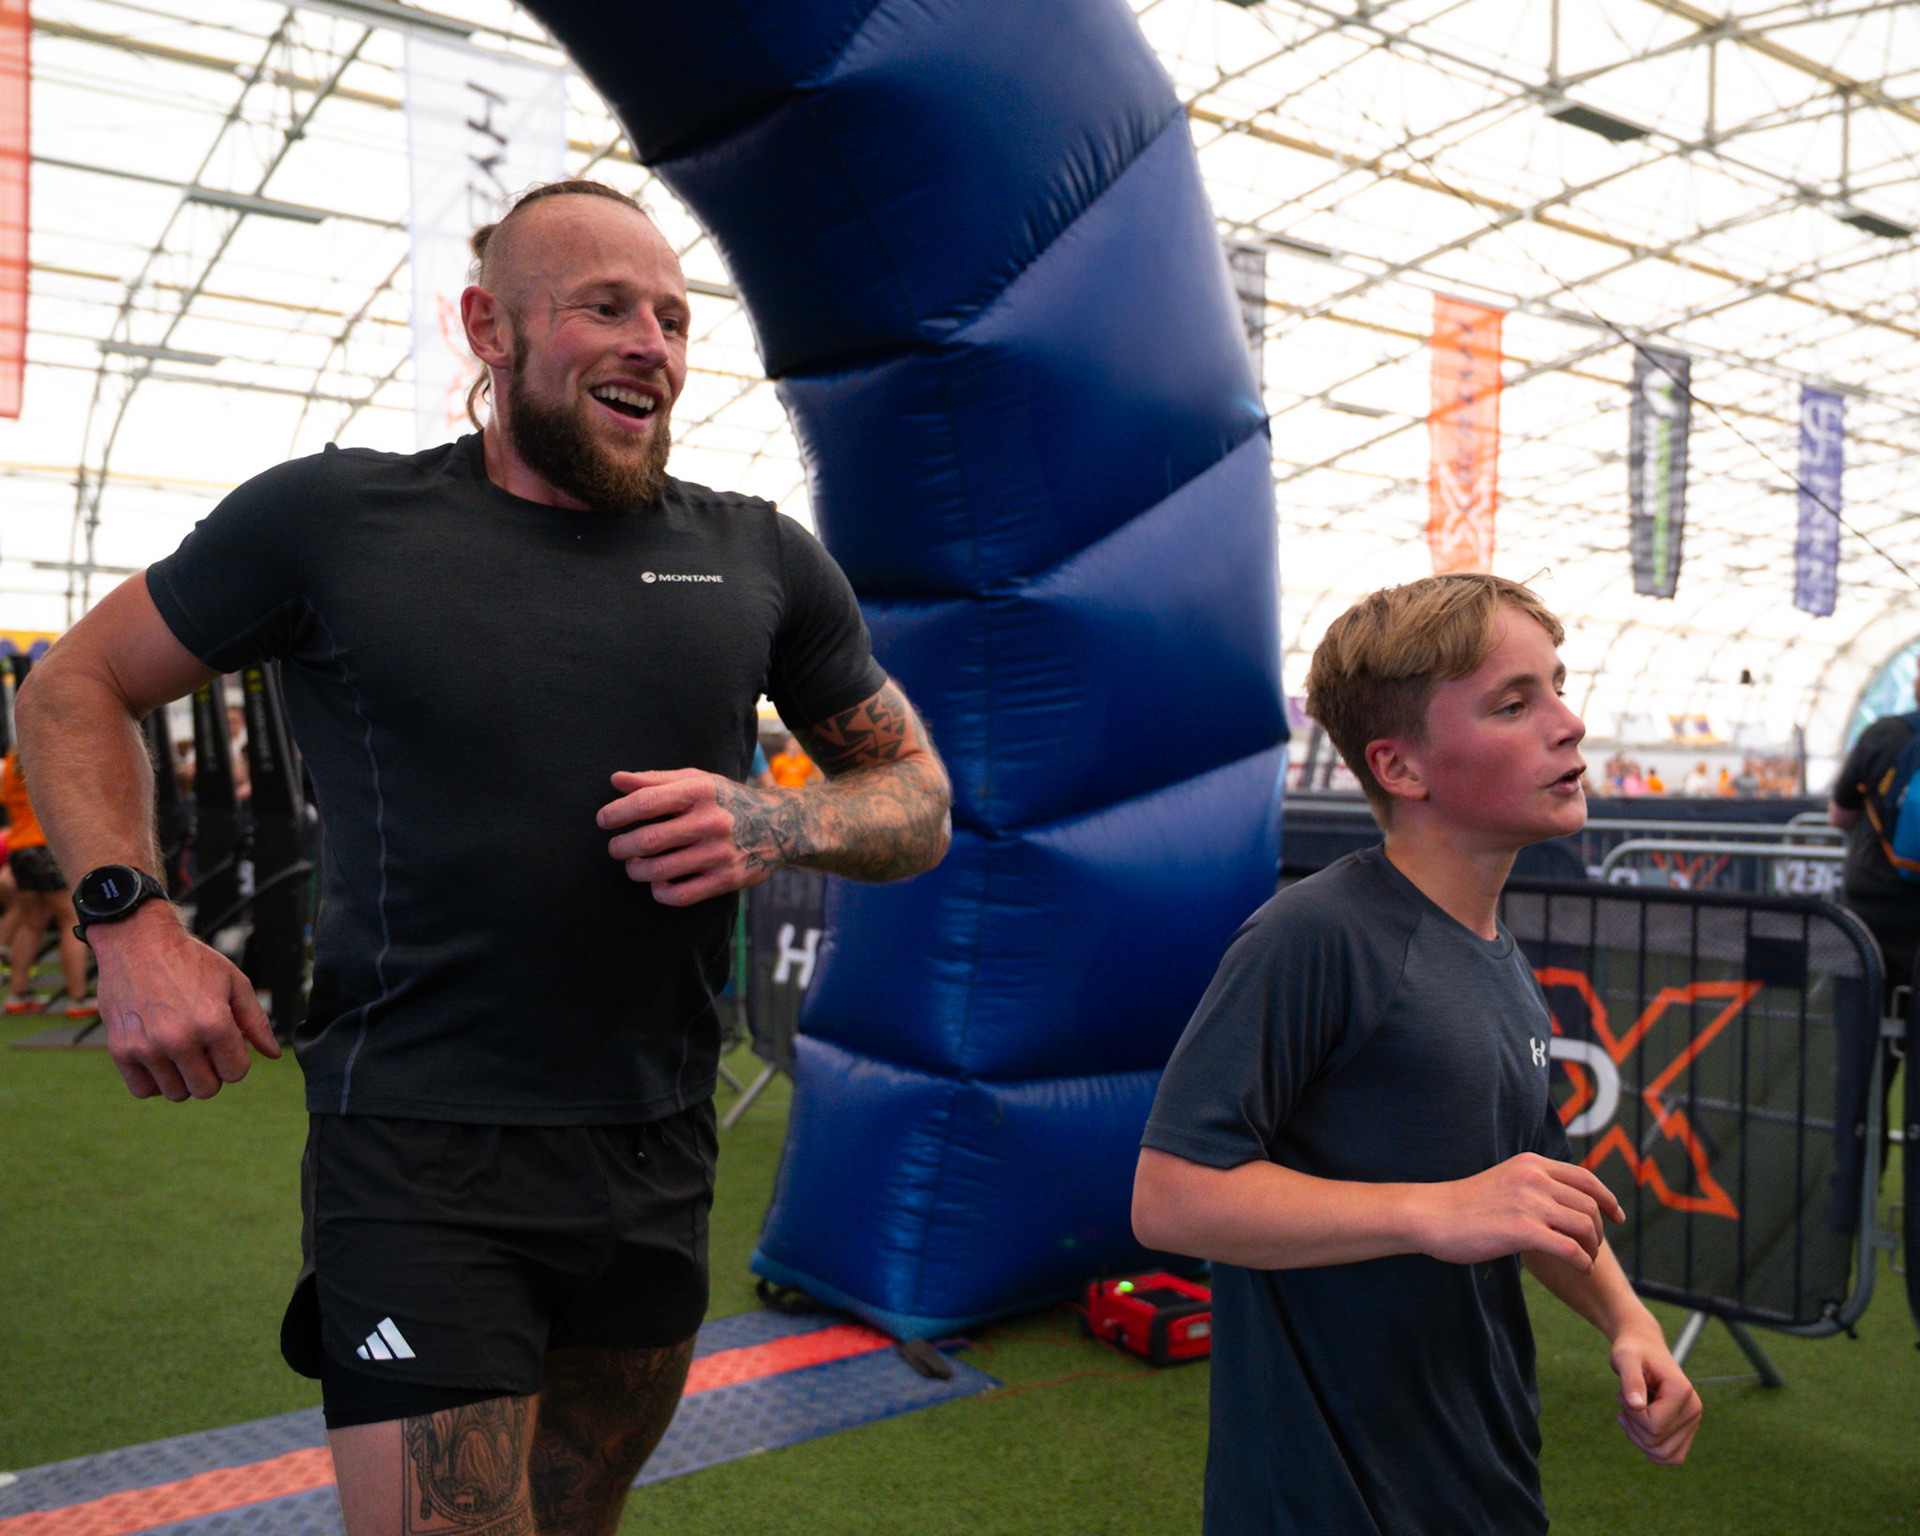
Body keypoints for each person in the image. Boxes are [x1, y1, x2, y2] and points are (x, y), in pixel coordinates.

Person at [16, 178, 951, 1536]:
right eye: (606, 307)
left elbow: (918, 797)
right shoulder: (332, 522)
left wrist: (775, 821)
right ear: (489, 328)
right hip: (418, 1154)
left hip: (655, 1145)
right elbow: (74, 685)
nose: (652, 343)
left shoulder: (760, 557)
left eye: (674, 318)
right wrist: (131, 920)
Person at [1132, 574, 1700, 1535]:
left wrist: (1628, 1320)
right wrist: (1435, 1211)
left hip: (1483, 1478)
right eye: (1513, 704)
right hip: (1327, 1502)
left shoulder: (1497, 954)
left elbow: (1535, 1191)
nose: (1569, 724)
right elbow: (1170, 1197)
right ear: (1399, 767)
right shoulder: (1316, 934)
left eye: (1558, 688)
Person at [0, 749, 94, 1018]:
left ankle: (19, 994)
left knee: (32, 921)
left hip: (19, 849)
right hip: (46, 846)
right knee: (71, 920)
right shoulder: (49, 753)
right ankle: (78, 998)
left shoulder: (13, 759)